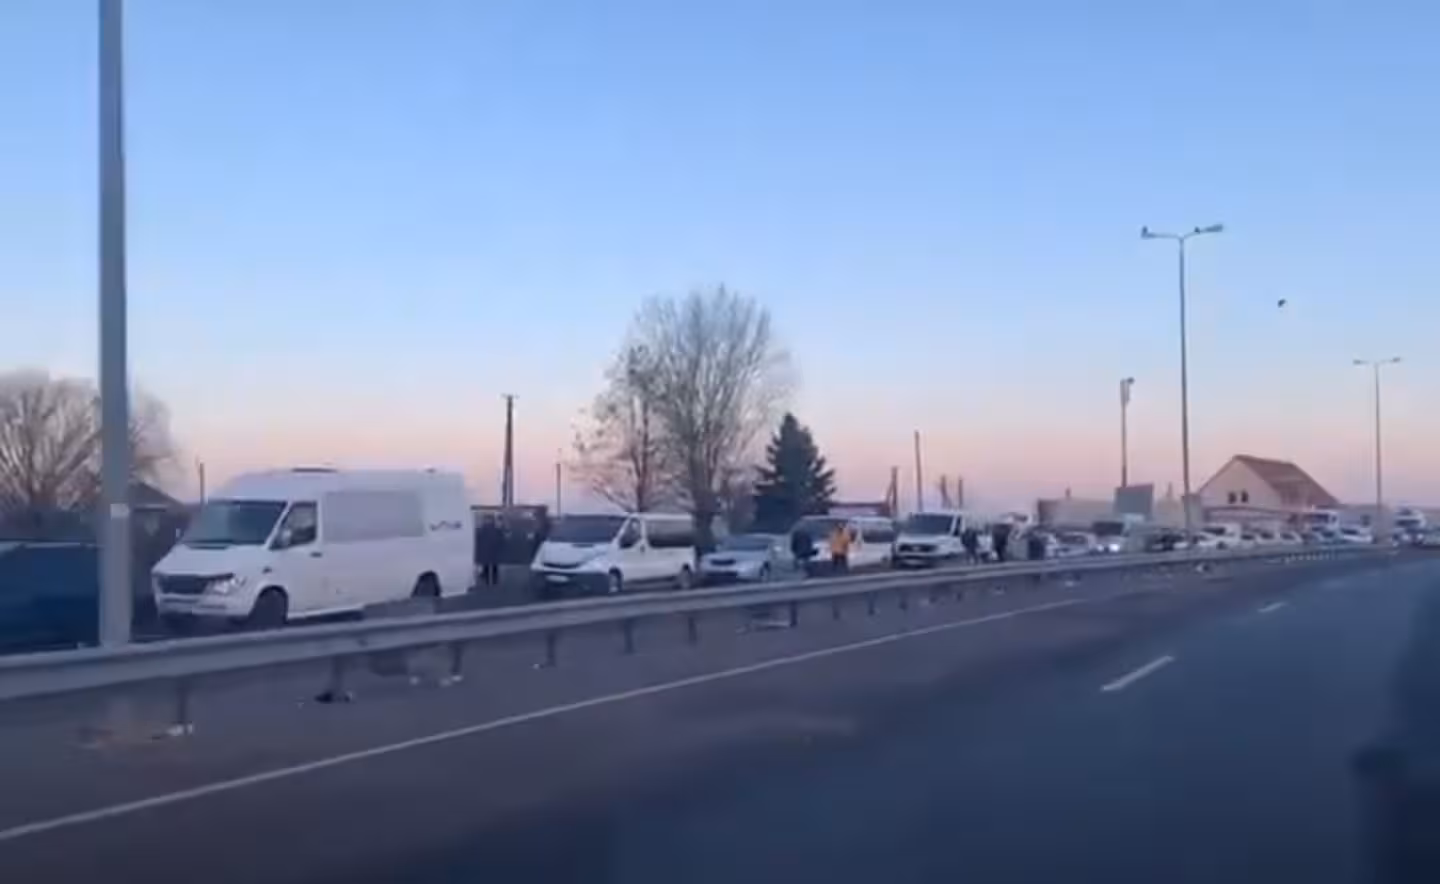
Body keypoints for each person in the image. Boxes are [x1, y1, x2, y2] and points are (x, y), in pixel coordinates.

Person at [476, 515, 505, 587]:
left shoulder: (482, 529)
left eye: (486, 519)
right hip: (493, 549)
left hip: (485, 549)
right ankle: (494, 580)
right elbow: (501, 539)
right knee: (494, 565)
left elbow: (478, 538)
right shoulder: (496, 529)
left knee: (487, 564)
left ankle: (487, 580)